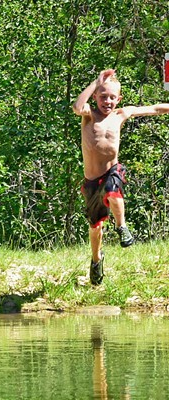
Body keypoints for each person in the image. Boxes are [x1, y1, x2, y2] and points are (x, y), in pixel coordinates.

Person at [73, 69, 169, 285]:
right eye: (103, 96)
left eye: (112, 97)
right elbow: (77, 107)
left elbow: (154, 109)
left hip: (112, 170)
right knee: (95, 225)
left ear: (119, 99)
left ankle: (122, 226)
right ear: (96, 96)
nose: (107, 101)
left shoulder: (121, 114)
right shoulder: (89, 114)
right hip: (91, 180)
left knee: (113, 190)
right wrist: (95, 82)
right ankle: (96, 259)